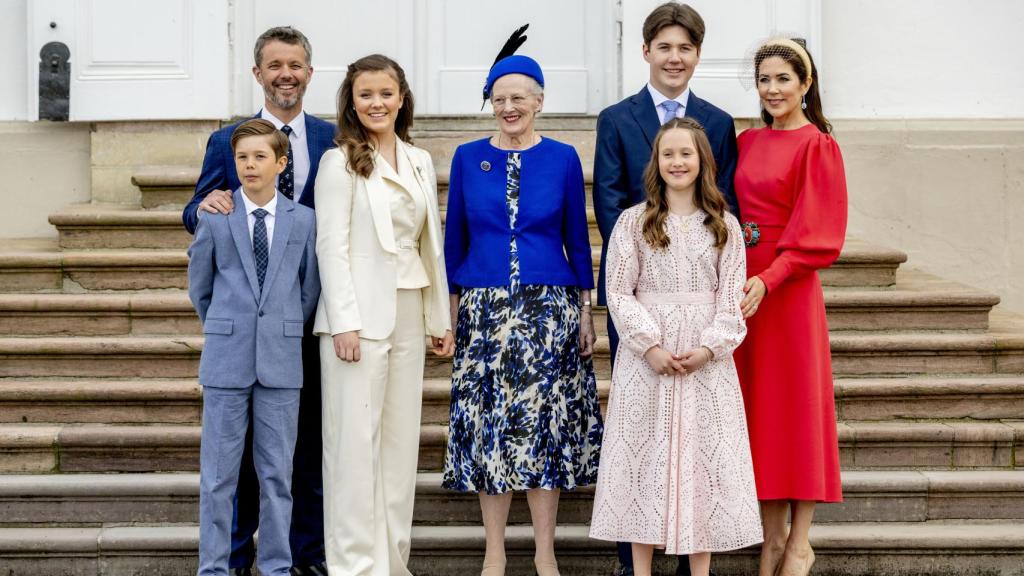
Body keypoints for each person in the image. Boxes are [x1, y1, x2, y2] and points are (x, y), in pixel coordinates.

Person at [441, 43, 604, 576]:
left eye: (519, 98)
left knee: (543, 431)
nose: (509, 107)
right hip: (484, 308)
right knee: (491, 429)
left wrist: (586, 309)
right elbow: (454, 239)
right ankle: (493, 553)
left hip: (548, 308)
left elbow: (576, 239)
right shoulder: (468, 157)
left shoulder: (561, 157)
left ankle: (545, 553)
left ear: (539, 101)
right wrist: (447, 310)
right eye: (499, 98)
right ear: (490, 102)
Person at [591, 4, 740, 574]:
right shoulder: (617, 117)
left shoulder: (719, 121)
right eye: (665, 47)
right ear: (646, 51)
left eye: (686, 48)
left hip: (702, 316)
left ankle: (690, 555)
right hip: (644, 293)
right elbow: (608, 197)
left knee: (696, 442)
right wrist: (648, 247)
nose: (675, 57)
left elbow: (725, 200)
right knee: (644, 441)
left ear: (697, 54)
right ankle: (638, 559)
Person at [181, 26, 334, 576]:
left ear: (309, 72)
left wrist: (298, 316)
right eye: (274, 65)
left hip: (298, 328)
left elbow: (320, 258)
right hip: (236, 328)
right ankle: (231, 558)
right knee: (231, 467)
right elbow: (197, 219)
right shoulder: (228, 141)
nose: (285, 74)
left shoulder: (332, 137)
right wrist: (206, 205)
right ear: (258, 73)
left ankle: (303, 557)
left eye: (295, 64)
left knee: (302, 454)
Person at [313, 54, 454, 575]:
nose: (377, 103)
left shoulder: (418, 159)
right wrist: (343, 320)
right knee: (353, 450)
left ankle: (393, 563)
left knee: (398, 450)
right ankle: (352, 566)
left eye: (386, 93)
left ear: (402, 98)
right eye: (366, 94)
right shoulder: (339, 162)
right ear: (352, 102)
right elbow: (332, 246)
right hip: (357, 321)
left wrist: (440, 318)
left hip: (410, 310)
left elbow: (430, 244)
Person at [733, 38, 848, 576]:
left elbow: (819, 235)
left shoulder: (818, 144)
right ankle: (770, 537)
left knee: (797, 412)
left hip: (788, 291)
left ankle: (800, 542)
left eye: (784, 79)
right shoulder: (747, 140)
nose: (774, 89)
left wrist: (771, 278)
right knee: (762, 415)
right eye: (765, 80)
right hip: (744, 289)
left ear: (806, 84)